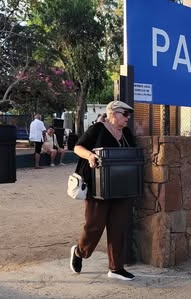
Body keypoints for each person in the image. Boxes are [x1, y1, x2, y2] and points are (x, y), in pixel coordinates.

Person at [70, 100, 137, 281]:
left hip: (122, 188)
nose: (127, 118)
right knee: (94, 226)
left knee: (119, 227)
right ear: (113, 113)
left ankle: (116, 268)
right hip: (99, 188)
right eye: (125, 114)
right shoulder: (97, 129)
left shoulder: (127, 134)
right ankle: (79, 252)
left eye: (129, 115)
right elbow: (77, 147)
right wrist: (91, 155)